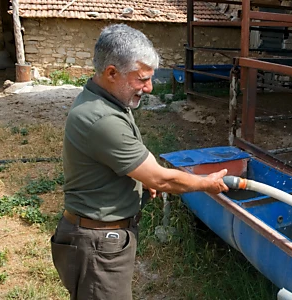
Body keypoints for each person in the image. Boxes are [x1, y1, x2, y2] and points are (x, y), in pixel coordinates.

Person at [50, 23, 229, 300]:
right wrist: (206, 183)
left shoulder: (107, 101)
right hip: (98, 244)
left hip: (100, 238)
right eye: (142, 79)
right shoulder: (103, 119)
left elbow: (132, 155)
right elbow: (162, 178)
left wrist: (139, 176)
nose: (149, 88)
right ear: (112, 72)